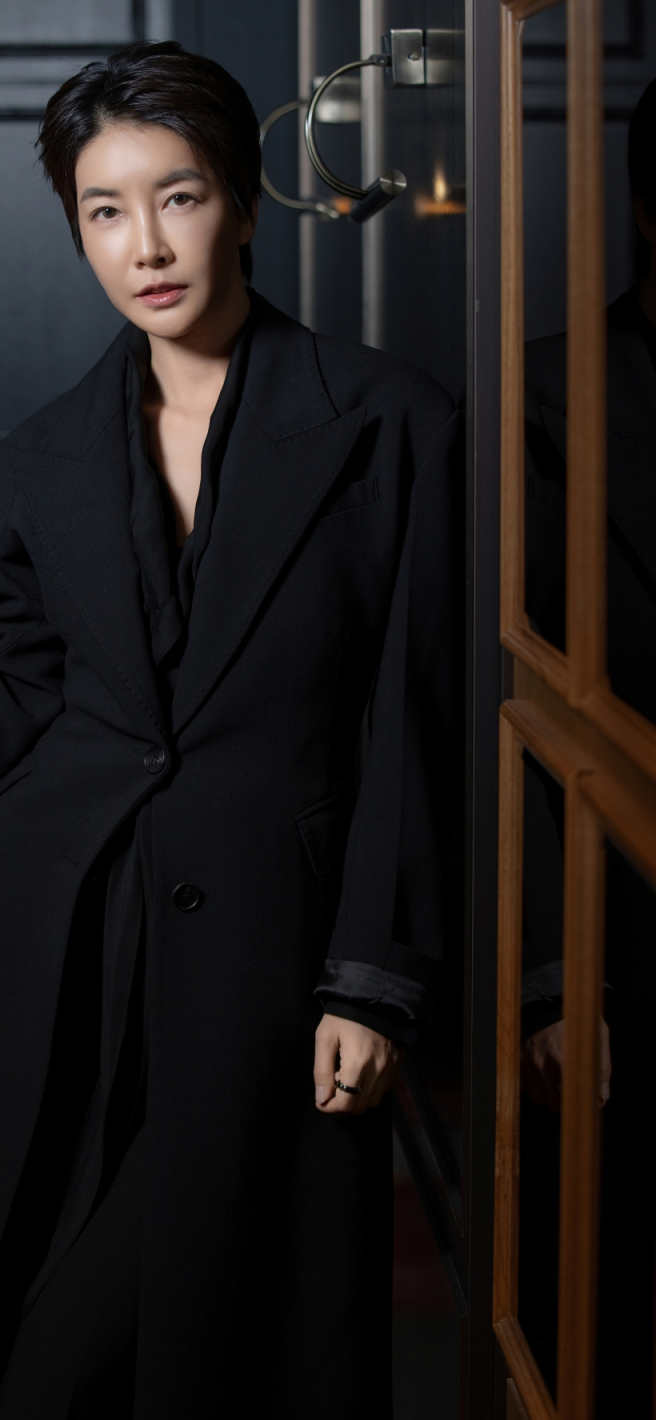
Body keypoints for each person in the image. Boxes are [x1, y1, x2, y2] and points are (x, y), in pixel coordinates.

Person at [0, 42, 462, 1419]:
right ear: (75, 229)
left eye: (178, 197)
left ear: (242, 202)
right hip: (41, 952)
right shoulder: (36, 466)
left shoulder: (388, 427)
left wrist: (373, 975)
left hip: (269, 974)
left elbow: (421, 711)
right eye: (104, 210)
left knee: (174, 1352)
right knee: (1, 1343)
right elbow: (8, 714)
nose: (145, 246)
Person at [520, 76, 656, 1413]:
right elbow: (506, 709)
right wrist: (556, 980)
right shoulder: (548, 394)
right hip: (623, 931)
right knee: (605, 1308)